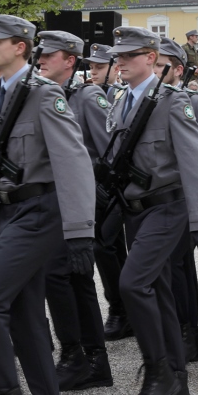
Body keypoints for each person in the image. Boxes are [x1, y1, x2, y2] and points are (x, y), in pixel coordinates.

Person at [0, 14, 96, 395]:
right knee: (24, 313)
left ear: (20, 46)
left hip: (40, 214)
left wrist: (79, 232)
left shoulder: (43, 94)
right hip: (8, 214)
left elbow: (74, 162)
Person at [106, 27, 198, 395]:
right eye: (117, 55)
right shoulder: (120, 101)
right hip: (136, 211)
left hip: (168, 208)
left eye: (128, 55)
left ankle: (158, 373)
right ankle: (178, 388)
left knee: (132, 284)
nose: (119, 61)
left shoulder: (172, 101)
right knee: (159, 291)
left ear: (151, 58)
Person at [34, 30, 114, 393]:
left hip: (80, 204)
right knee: (67, 279)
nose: (41, 59)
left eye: (49, 55)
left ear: (70, 60)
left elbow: (108, 151)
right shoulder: (46, 95)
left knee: (67, 278)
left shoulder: (89, 97)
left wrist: (94, 194)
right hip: (56, 205)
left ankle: (81, 357)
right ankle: (86, 357)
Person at [157, 36, 198, 364]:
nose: (153, 68)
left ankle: (188, 335)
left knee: (177, 268)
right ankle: (183, 324)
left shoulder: (190, 101)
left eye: (159, 63)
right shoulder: (149, 100)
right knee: (173, 269)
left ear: (178, 70)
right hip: (158, 199)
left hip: (182, 196)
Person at [82, 42, 131, 340]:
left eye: (100, 66)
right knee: (107, 247)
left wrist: (108, 186)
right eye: (92, 66)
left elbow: (109, 148)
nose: (93, 71)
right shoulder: (98, 94)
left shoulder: (106, 97)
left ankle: (121, 310)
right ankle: (122, 308)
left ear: (115, 67)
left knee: (105, 245)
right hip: (96, 186)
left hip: (110, 186)